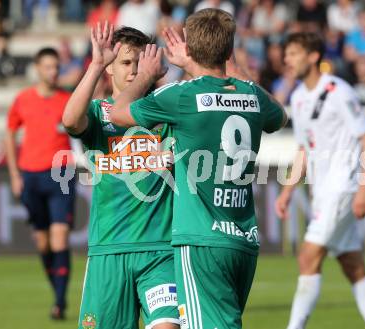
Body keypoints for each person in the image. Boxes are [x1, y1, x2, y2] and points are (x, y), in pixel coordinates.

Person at [110, 8, 287, 328]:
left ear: (188, 49)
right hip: (243, 239)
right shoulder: (251, 95)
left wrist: (149, 75)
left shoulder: (182, 95)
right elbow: (280, 116)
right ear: (230, 51)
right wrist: (233, 70)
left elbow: (118, 114)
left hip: (202, 239)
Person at [62, 23, 179, 329]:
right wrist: (96, 64)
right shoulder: (99, 114)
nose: (134, 70)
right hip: (109, 250)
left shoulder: (165, 113)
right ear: (110, 70)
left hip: (160, 251)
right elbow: (70, 120)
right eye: (126, 63)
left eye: (140, 64)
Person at [275, 32, 365, 329]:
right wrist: (287, 192)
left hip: (343, 187)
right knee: (352, 265)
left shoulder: (338, 91)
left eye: (294, 53)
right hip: (322, 190)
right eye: (286, 54)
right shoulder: (298, 99)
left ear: (313, 56)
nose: (287, 59)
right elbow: (303, 149)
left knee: (307, 257)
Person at [5, 47, 74, 320]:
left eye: (56, 67)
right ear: (37, 68)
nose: (53, 71)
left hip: (61, 174)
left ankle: (59, 302)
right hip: (31, 176)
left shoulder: (67, 100)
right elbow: (10, 133)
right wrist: (14, 174)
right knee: (43, 243)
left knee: (59, 238)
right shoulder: (23, 100)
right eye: (48, 67)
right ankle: (56, 290)